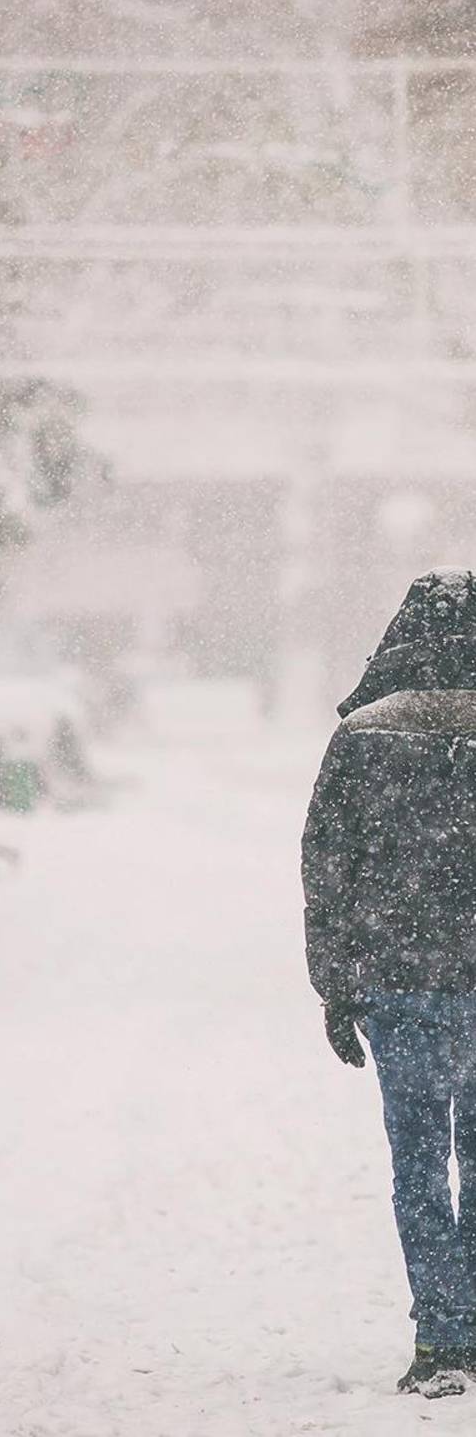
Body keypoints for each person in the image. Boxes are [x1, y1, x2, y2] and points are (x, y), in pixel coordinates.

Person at [303, 567, 476, 1400]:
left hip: (400, 980)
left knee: (418, 1163)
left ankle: (442, 1336)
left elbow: (327, 868)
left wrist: (334, 985)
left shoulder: (363, 737)